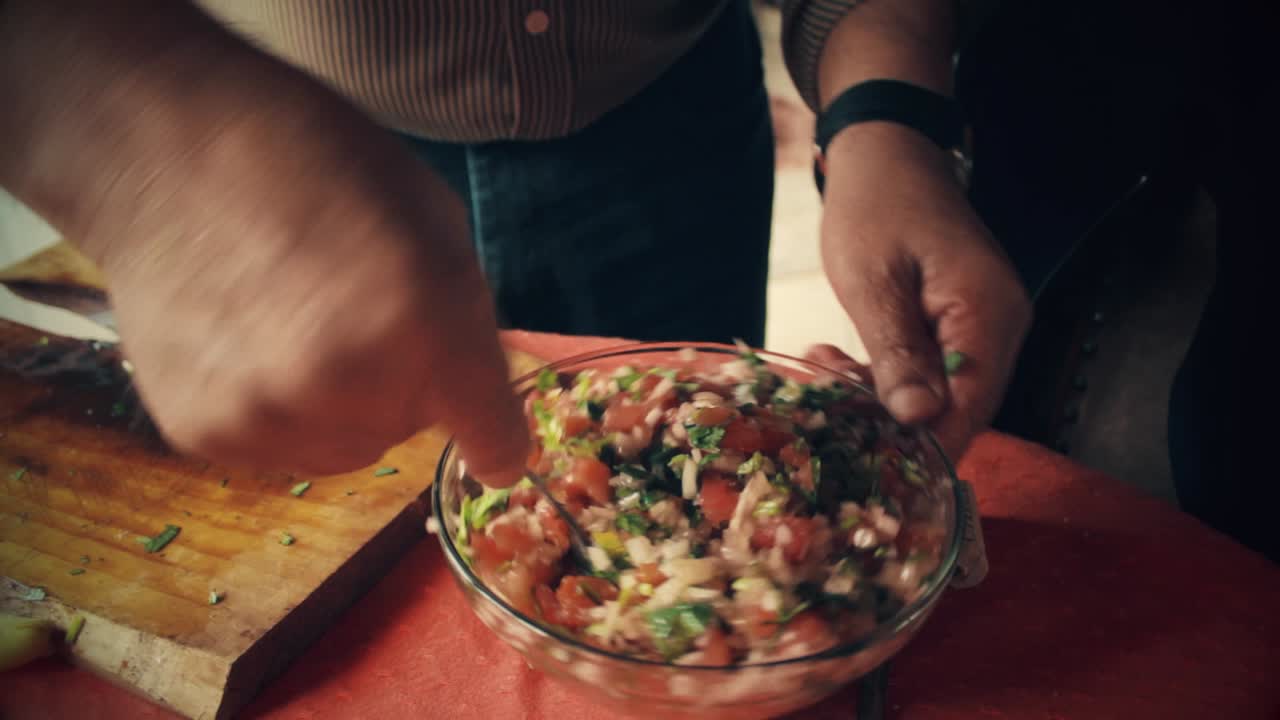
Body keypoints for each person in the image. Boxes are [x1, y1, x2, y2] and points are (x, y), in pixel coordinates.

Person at [0, 0, 1029, 490]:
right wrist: (130, 143)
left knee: (682, 471)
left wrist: (886, 110)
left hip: (676, 132)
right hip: (278, 153)